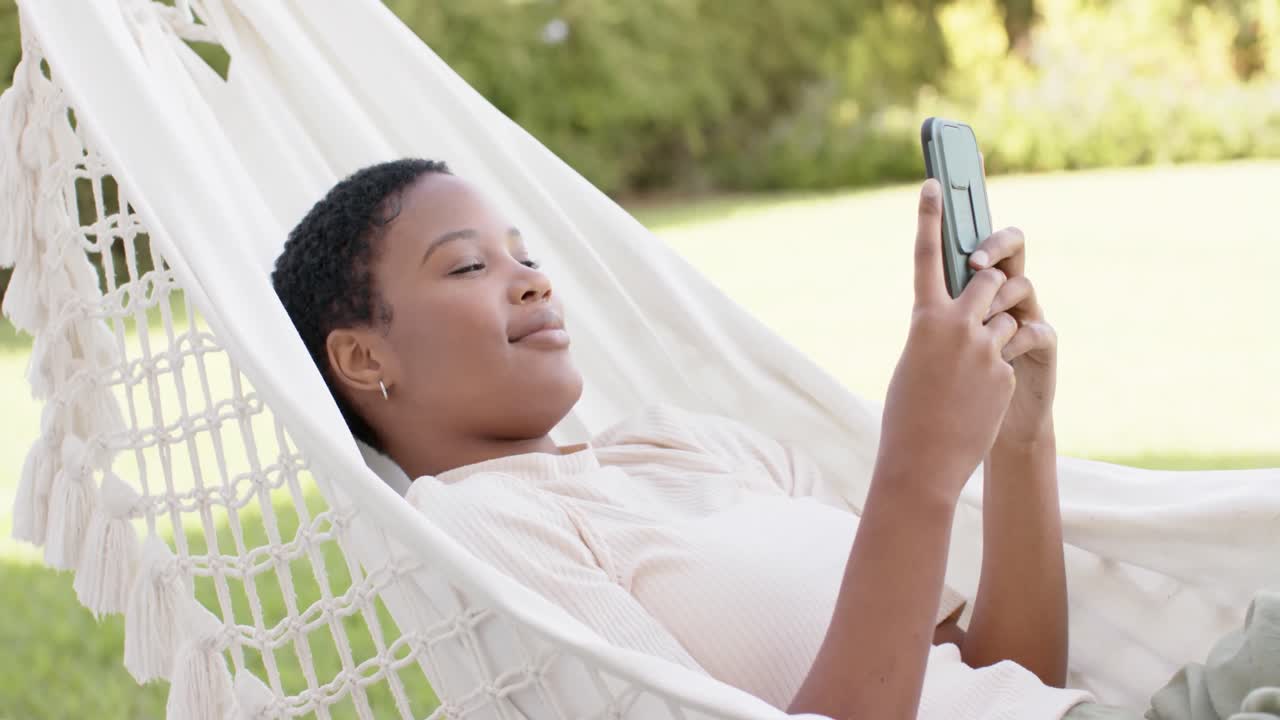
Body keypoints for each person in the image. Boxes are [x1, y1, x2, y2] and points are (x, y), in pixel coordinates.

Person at [271, 159, 1279, 720]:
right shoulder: (482, 530)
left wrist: (1019, 442)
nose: (531, 280)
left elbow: (1001, 683)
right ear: (362, 357)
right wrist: (915, 471)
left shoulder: (690, 446)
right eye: (468, 268)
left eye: (525, 255)